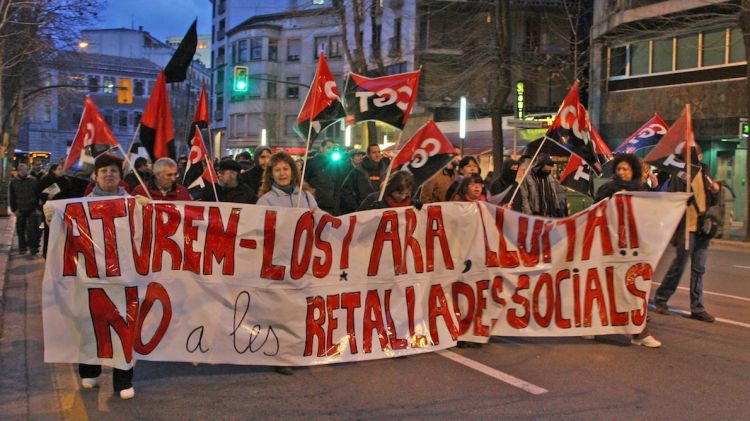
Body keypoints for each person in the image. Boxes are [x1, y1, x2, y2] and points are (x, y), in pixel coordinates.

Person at [60, 153, 137, 399]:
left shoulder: (134, 204)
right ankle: (89, 371)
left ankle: (123, 381)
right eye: (103, 170)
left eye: (114, 170)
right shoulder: (79, 205)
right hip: (90, 276)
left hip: (125, 275)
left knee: (125, 327)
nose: (109, 174)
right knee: (89, 324)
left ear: (120, 176)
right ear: (95, 175)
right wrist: (54, 217)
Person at [257, 152, 315, 376]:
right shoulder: (266, 201)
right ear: (271, 175)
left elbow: (320, 220)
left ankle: (296, 351)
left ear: (293, 170)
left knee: (299, 309)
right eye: (277, 170)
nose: (283, 173)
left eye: (286, 169)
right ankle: (279, 356)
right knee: (280, 312)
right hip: (280, 262)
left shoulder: (307, 197)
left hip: (303, 261)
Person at [593, 154, 661, 348]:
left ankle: (639, 332)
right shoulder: (607, 190)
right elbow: (595, 214)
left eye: (626, 169)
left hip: (636, 248)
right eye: (619, 169)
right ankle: (592, 325)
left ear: (634, 171)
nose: (621, 172)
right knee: (608, 287)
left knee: (636, 288)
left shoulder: (642, 190)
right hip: (611, 246)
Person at [653, 152, 720, 323]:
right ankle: (662, 298)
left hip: (701, 228)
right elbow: (672, 199)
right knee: (679, 265)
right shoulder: (680, 173)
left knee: (699, 269)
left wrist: (715, 192)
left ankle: (697, 308)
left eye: (697, 153)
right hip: (686, 228)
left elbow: (711, 201)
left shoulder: (704, 172)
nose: (696, 156)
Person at [340, 144, 389, 214]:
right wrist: (356, 207)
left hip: (382, 211)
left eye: (379, 152)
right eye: (374, 152)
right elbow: (346, 190)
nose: (377, 155)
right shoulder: (358, 171)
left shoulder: (386, 169)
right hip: (363, 212)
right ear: (368, 154)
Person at [38, 164, 73, 257]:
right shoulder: (46, 180)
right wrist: (47, 197)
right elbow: (39, 193)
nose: (62, 170)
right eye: (59, 169)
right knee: (49, 233)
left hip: (62, 210)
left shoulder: (66, 181)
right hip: (50, 210)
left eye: (62, 169)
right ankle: (47, 254)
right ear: (53, 171)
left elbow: (70, 194)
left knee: (61, 233)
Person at [515, 153, 566, 217]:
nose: (549, 169)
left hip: (549, 215)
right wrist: (528, 213)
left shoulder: (549, 177)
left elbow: (555, 193)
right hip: (535, 214)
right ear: (541, 165)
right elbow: (524, 197)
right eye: (548, 166)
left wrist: (557, 209)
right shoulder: (528, 177)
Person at [307, 138, 348, 215]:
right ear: (321, 148)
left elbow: (338, 188)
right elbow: (304, 183)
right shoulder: (311, 163)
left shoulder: (337, 166)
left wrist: (336, 209)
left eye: (333, 148)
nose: (331, 151)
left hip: (330, 208)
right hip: (314, 206)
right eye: (328, 148)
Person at [9, 163, 41, 255]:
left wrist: (37, 208)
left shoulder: (33, 181)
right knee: (20, 229)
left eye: (25, 170)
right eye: (21, 170)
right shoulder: (14, 182)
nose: (23, 172)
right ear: (18, 171)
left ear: (28, 170)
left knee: (33, 229)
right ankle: (22, 248)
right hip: (20, 209)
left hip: (32, 209)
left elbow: (38, 194)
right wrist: (14, 210)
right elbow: (12, 196)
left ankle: (33, 247)